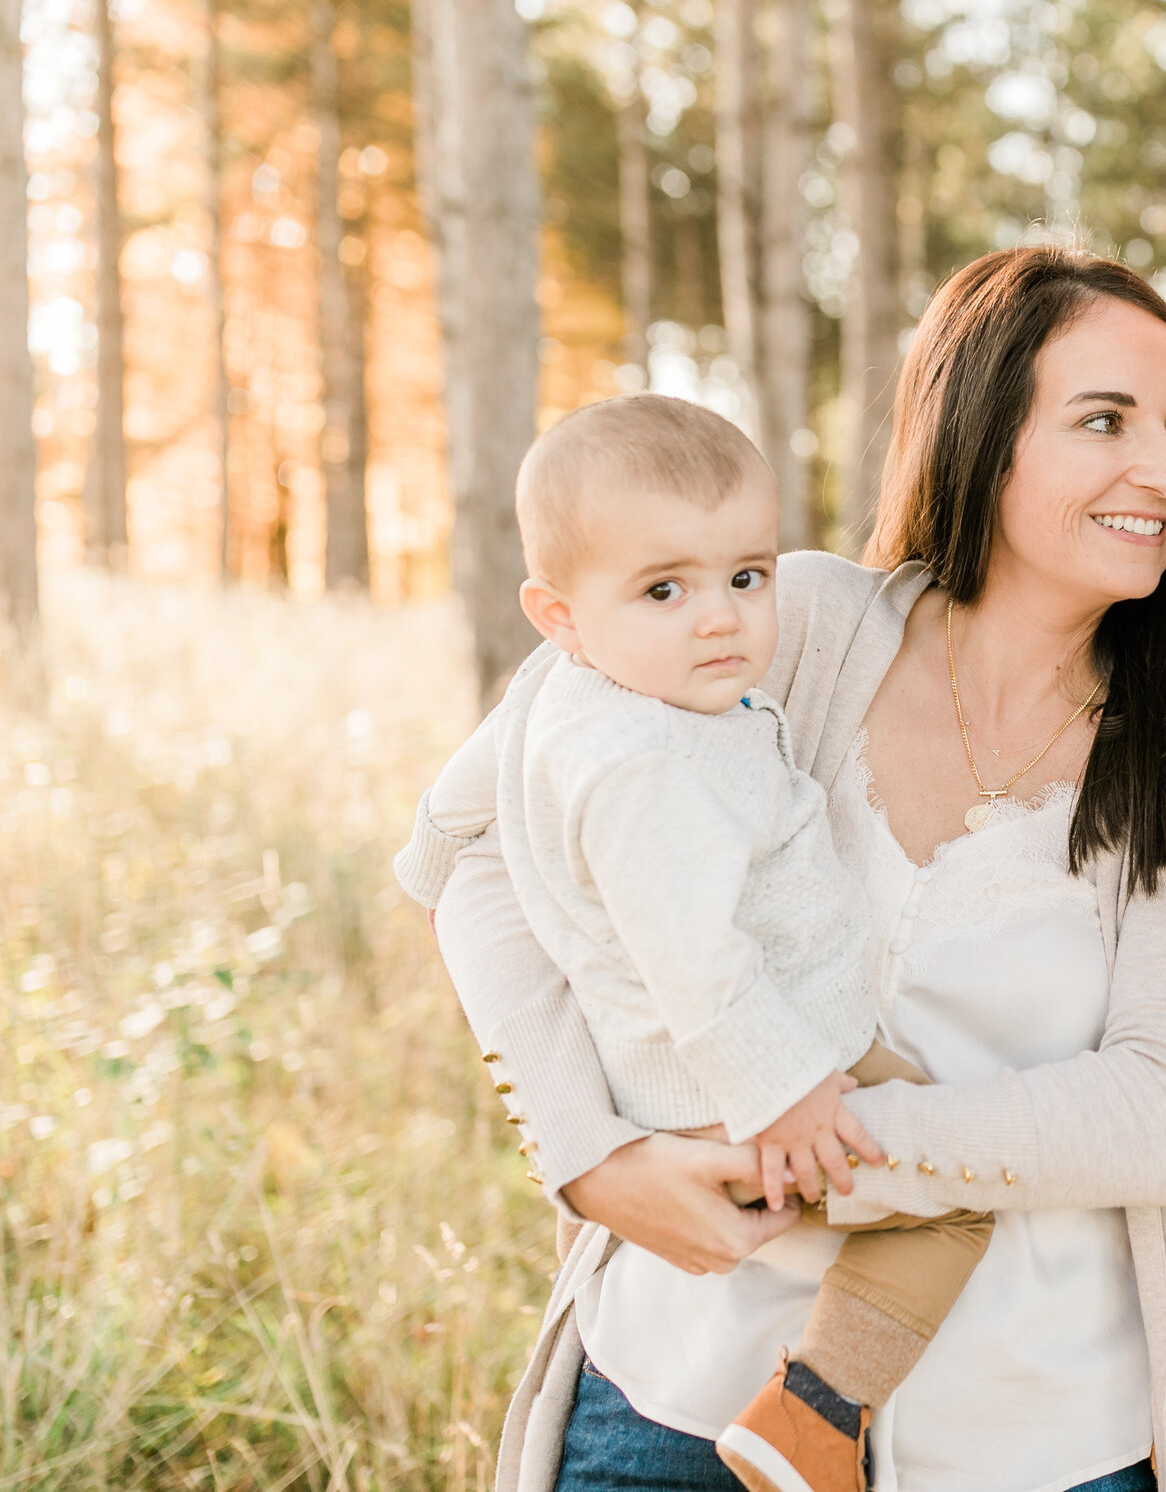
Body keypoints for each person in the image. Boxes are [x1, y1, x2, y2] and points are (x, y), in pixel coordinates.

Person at [421, 249, 1166, 1492]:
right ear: (981, 430)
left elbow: (1165, 1116)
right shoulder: (781, 625)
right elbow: (478, 839)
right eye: (1104, 420)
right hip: (676, 1389)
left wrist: (811, 1144)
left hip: (1040, 1434)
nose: (1163, 472)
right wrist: (591, 1157)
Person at [395, 392, 1001, 1492]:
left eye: (747, 576)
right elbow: (696, 956)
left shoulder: (597, 698)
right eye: (664, 589)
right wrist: (785, 1090)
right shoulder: (646, 761)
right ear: (558, 612)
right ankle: (814, 1415)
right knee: (953, 1198)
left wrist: (426, 859)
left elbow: (454, 819)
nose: (719, 617)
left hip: (734, 1060)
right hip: (753, 1066)